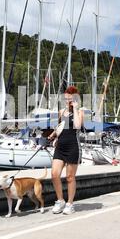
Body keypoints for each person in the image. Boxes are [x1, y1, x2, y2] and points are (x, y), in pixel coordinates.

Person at [48, 86, 84, 215]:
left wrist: (74, 107)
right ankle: (60, 200)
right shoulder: (61, 111)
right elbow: (60, 127)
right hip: (60, 147)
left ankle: (70, 204)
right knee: (54, 174)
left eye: (69, 99)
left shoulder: (80, 112)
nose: (67, 101)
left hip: (73, 147)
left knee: (70, 177)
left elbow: (77, 126)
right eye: (66, 99)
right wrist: (53, 135)